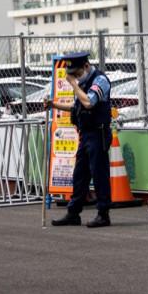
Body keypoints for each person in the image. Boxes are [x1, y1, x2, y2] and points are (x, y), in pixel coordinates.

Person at [46, 52, 113, 228]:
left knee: (99, 174)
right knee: (80, 174)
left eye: (76, 74)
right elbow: (77, 107)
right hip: (85, 134)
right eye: (72, 75)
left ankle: (103, 214)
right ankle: (73, 212)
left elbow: (89, 102)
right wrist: (54, 105)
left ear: (85, 66)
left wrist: (74, 85)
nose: (75, 78)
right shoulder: (82, 83)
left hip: (98, 133)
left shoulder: (100, 81)